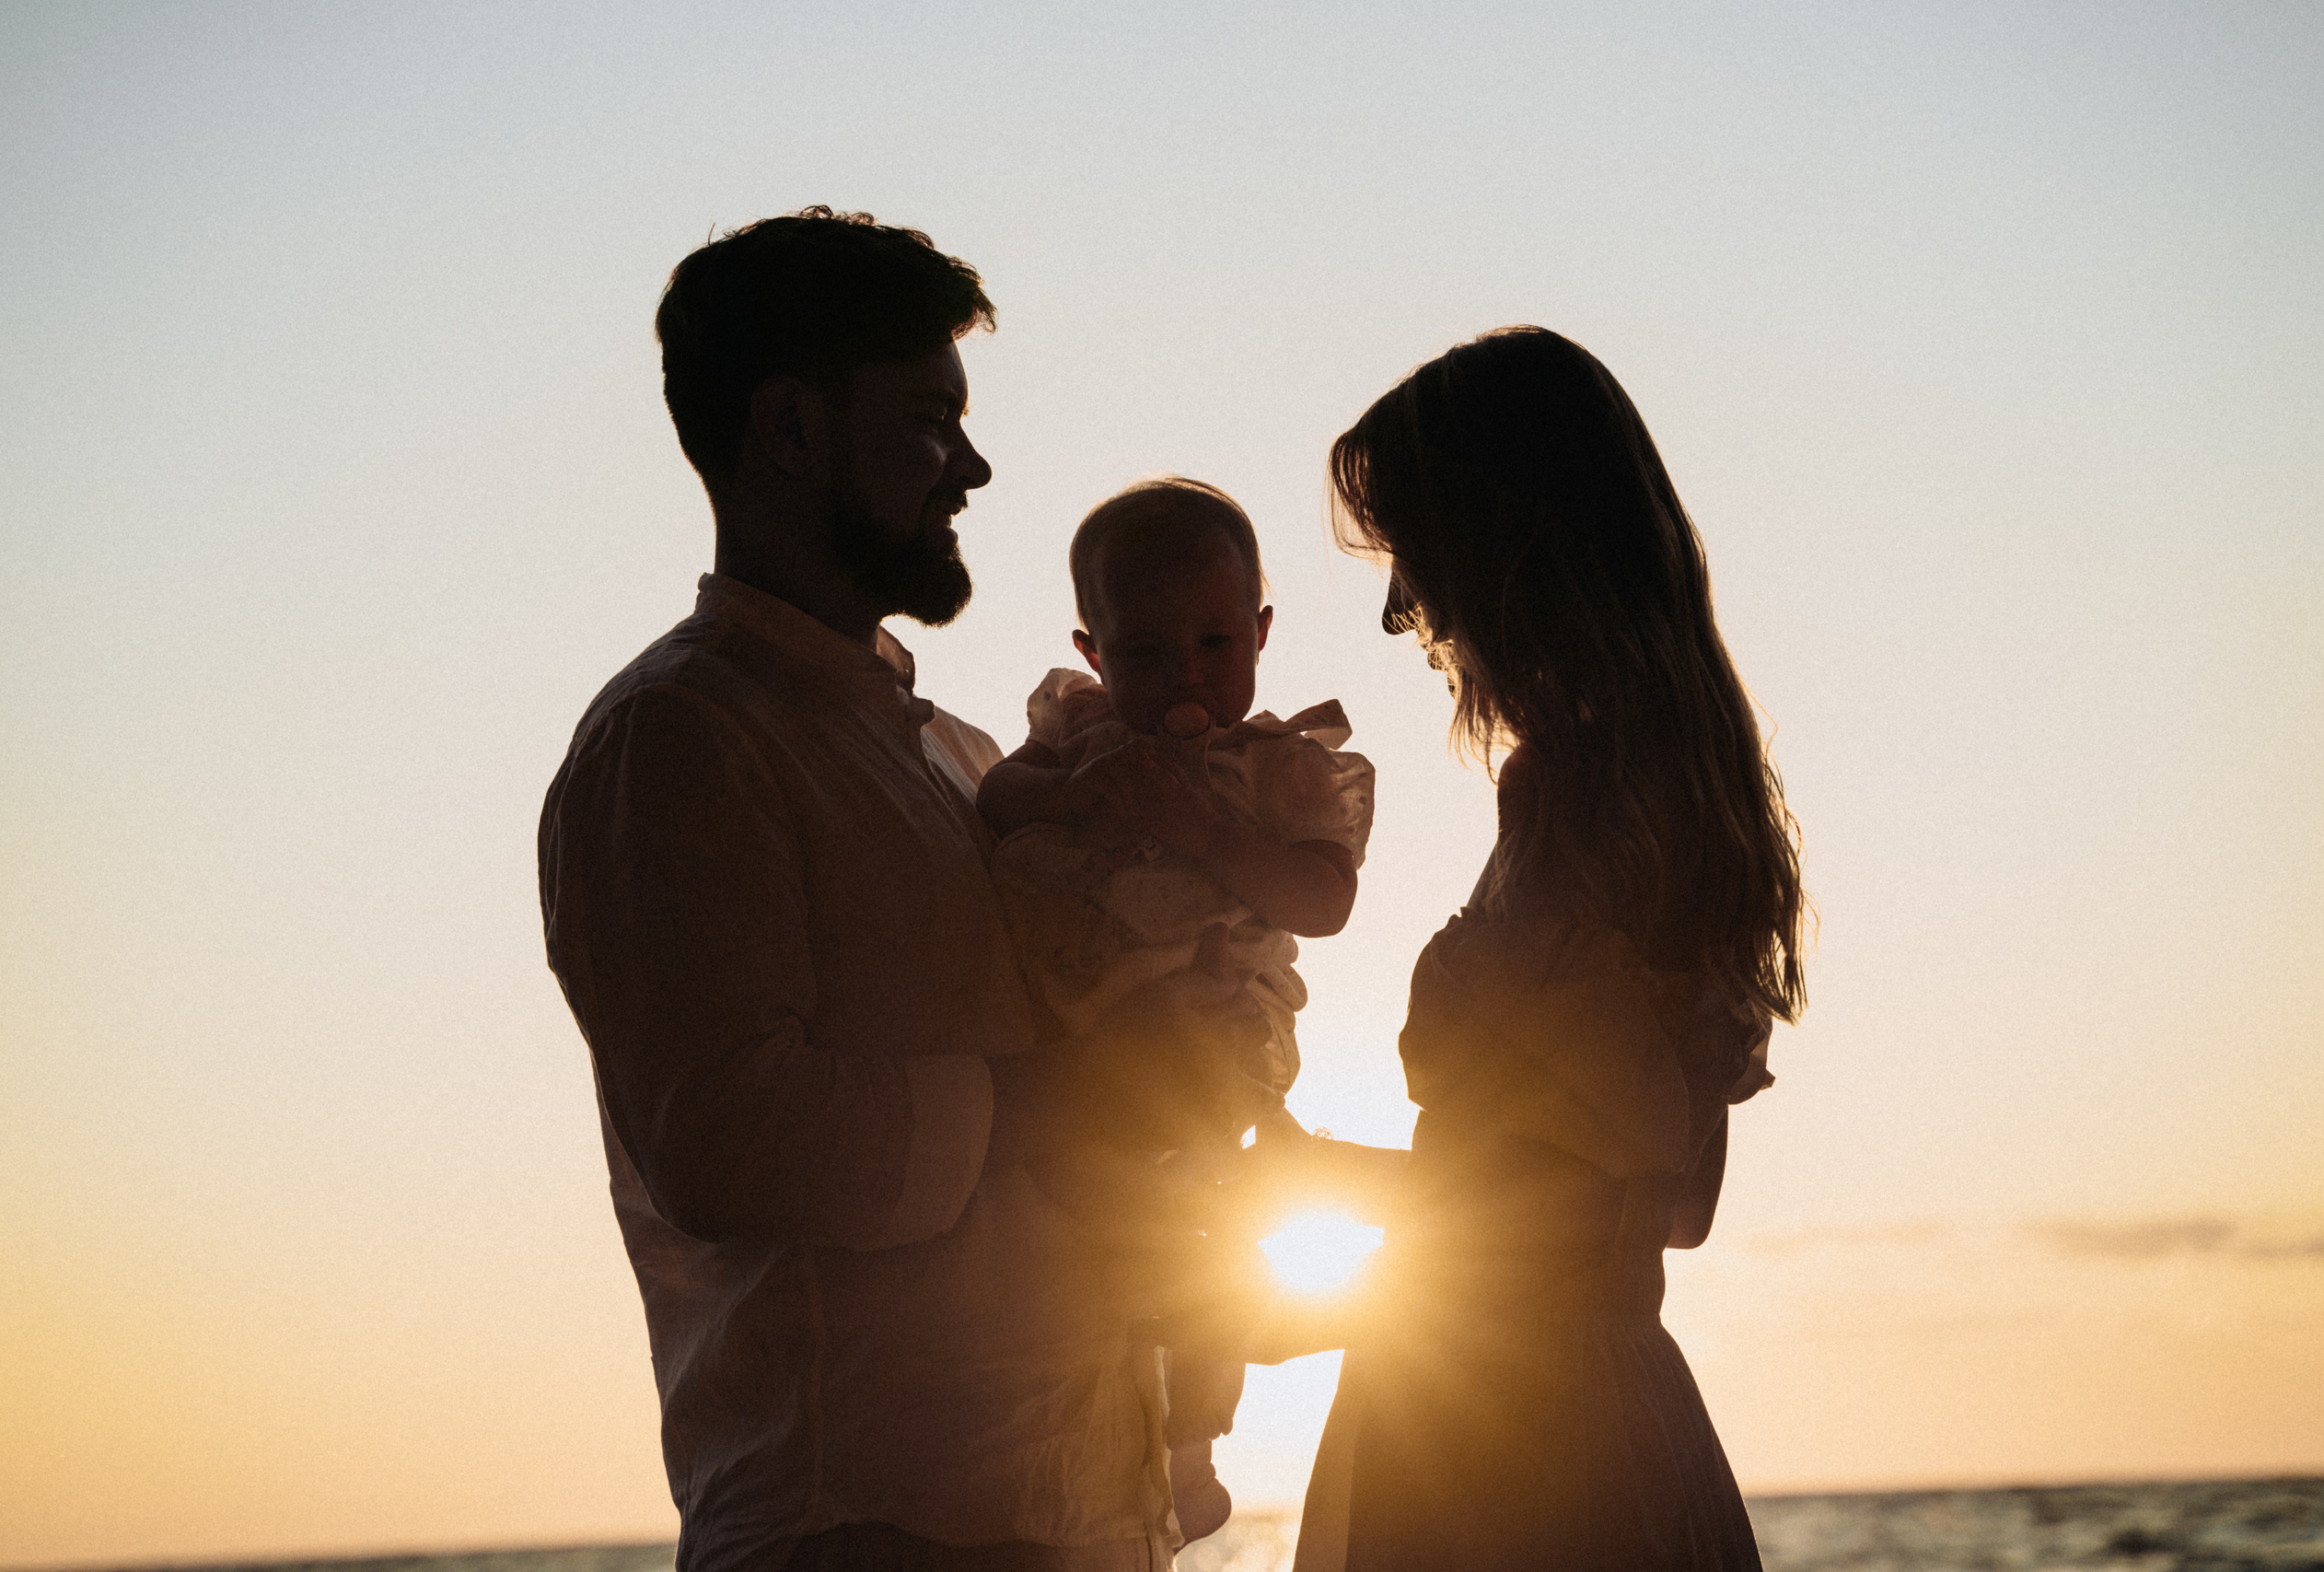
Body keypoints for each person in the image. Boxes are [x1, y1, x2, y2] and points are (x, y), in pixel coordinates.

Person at [538, 208, 1251, 1572]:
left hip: (1085, 1516)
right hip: (859, 1525)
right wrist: (1072, 1088)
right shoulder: (678, 740)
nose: (973, 465)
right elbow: (729, 1134)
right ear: (792, 429)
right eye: (931, 420)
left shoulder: (962, 758)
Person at [1280, 327, 1804, 1571]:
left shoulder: (1595, 802)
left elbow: (1582, 1216)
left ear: (1510, 542)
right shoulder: (1666, 790)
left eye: (1415, 549)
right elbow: (1675, 1203)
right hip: (1566, 1403)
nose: (1403, 603)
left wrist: (1284, 1170)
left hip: (1519, 1448)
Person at [975, 478, 1376, 1543]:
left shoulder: (1284, 768)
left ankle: (1193, 1441)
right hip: (1090, 1021)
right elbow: (996, 801)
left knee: (1209, 1226)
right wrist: (1064, 794)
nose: (1186, 676)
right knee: (1094, 1217)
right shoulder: (1077, 733)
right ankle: (1136, 1434)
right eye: (1147, 654)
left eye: (1213, 643)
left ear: (1260, 632)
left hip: (1218, 1022)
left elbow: (1324, 900)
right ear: (1095, 653)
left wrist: (1214, 840)